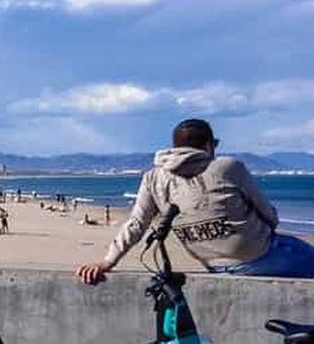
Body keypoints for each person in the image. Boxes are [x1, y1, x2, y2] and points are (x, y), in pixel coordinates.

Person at [77, 118, 314, 284]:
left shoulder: (153, 177)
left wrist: (107, 262)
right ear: (209, 145)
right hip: (261, 257)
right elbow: (270, 216)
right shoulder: (227, 167)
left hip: (214, 265)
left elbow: (136, 225)